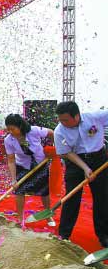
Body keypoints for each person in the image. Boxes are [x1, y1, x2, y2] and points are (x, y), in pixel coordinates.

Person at [54, 101, 108, 247]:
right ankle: (64, 235)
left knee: (102, 198)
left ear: (77, 116)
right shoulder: (59, 131)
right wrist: (85, 168)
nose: (62, 123)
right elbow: (66, 153)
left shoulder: (95, 117)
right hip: (75, 162)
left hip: (99, 159)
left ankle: (104, 236)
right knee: (71, 197)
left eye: (65, 120)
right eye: (60, 120)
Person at [3, 114, 55, 225]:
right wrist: (13, 179)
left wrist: (53, 147)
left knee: (44, 191)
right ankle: (20, 218)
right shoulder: (8, 140)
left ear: (20, 126)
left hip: (40, 163)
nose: (10, 132)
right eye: (8, 129)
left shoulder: (33, 130)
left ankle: (48, 215)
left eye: (13, 129)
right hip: (23, 165)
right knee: (19, 190)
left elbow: (51, 133)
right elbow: (11, 160)